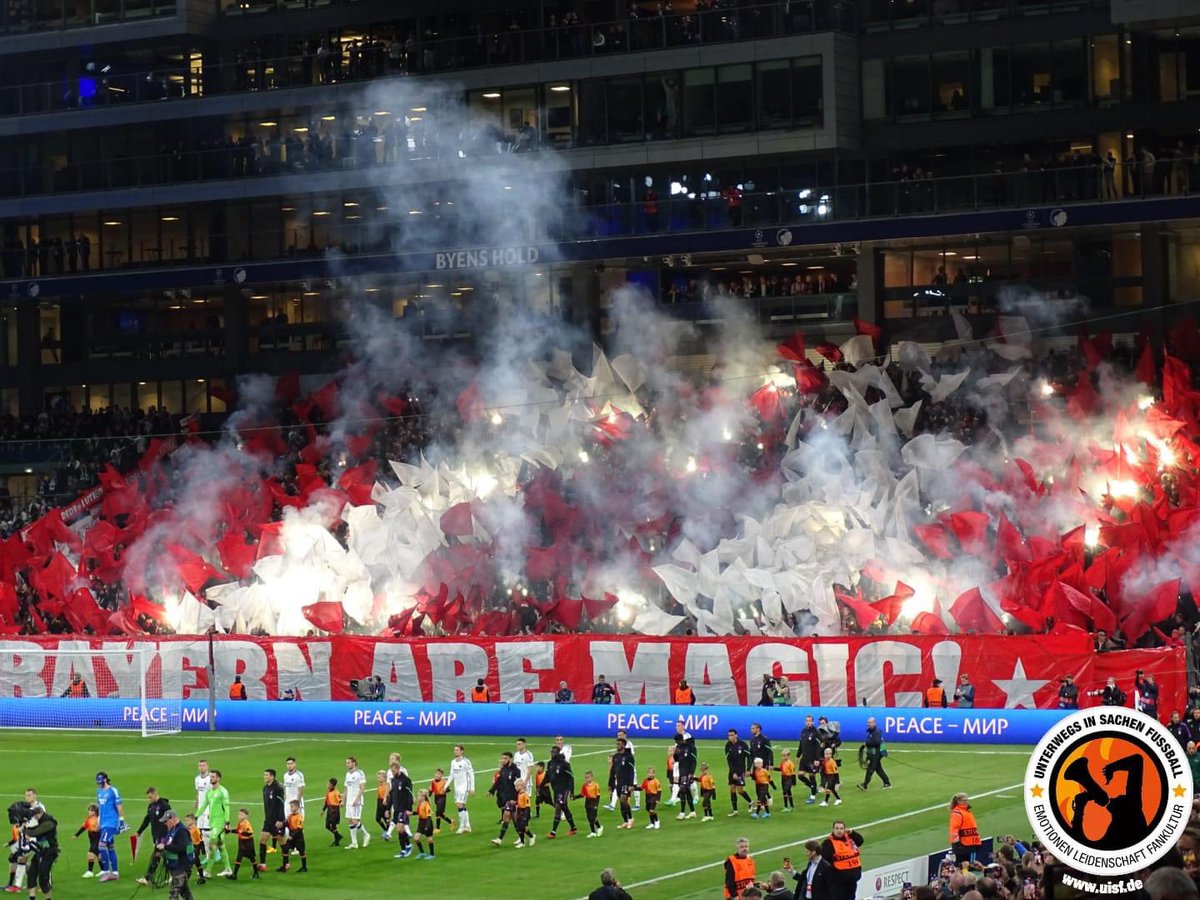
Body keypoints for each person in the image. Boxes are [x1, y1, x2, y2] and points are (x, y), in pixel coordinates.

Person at [20, 795, 57, 900]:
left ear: (40, 813)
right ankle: (32, 898)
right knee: (32, 873)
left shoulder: (48, 823)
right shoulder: (42, 820)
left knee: (43, 879)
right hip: (41, 850)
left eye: (35, 815)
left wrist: (24, 831)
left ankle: (48, 898)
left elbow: (36, 831)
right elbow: (34, 829)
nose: (34, 817)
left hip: (49, 852)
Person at [195, 770, 230, 876]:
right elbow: (204, 805)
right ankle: (228, 869)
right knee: (221, 846)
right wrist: (196, 816)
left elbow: (227, 807)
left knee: (212, 845)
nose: (211, 779)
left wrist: (227, 822)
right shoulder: (210, 792)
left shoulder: (223, 791)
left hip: (219, 823)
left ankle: (208, 871)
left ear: (218, 778)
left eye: (213, 777)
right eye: (210, 777)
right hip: (212, 822)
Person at [134, 787, 171, 886]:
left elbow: (171, 819)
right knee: (165, 856)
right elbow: (147, 819)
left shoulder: (164, 806)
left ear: (155, 794)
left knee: (156, 856)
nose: (149, 799)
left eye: (150, 797)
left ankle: (147, 878)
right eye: (148, 798)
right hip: (156, 835)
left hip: (163, 835)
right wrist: (139, 831)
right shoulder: (151, 806)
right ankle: (174, 874)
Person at [155, 809, 194, 900]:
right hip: (175, 865)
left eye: (166, 821)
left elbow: (181, 847)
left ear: (172, 819)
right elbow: (169, 843)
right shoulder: (173, 829)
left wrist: (165, 847)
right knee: (185, 892)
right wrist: (160, 851)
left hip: (181, 867)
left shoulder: (182, 831)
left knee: (173, 893)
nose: (165, 823)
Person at [820, 820, 864, 900]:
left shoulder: (850, 837)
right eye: (837, 828)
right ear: (833, 830)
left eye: (841, 828)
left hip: (852, 880)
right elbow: (824, 861)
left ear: (844, 829)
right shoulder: (828, 843)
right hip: (838, 882)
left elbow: (860, 841)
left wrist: (852, 832)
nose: (839, 831)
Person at [94, 771, 125, 883]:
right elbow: (100, 808)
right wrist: (98, 822)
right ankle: (115, 873)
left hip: (111, 823)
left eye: (100, 781)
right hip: (103, 823)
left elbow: (119, 806)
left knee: (101, 845)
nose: (98, 783)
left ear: (105, 779)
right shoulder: (99, 791)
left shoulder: (113, 791)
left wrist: (121, 822)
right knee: (110, 847)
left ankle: (107, 872)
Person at [384, 761, 414, 857]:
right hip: (396, 808)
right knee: (400, 830)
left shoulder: (406, 780)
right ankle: (408, 846)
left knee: (400, 828)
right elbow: (392, 795)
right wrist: (388, 809)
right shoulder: (393, 780)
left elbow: (410, 795)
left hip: (404, 808)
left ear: (398, 769)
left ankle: (404, 850)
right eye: (391, 771)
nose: (392, 773)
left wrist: (409, 809)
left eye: (394, 771)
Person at [547, 746, 577, 838]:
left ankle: (553, 832)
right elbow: (548, 776)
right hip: (556, 790)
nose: (552, 754)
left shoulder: (564, 764)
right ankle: (573, 828)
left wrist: (571, 791)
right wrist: (540, 786)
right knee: (564, 807)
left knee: (558, 807)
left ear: (558, 753)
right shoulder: (550, 763)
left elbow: (571, 777)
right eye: (551, 752)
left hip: (564, 789)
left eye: (554, 752)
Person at [608, 737, 637, 829]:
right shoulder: (616, 757)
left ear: (624, 745)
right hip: (619, 783)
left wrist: (631, 784)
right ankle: (625, 821)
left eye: (619, 744)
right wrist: (610, 784)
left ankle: (631, 819)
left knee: (623, 800)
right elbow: (613, 772)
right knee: (621, 803)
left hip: (627, 783)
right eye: (617, 744)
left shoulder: (629, 757)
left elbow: (632, 770)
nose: (617, 746)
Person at [672, 718, 698, 818]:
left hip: (688, 771)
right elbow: (677, 759)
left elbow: (694, 760)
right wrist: (675, 754)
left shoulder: (691, 747)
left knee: (683, 790)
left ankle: (682, 812)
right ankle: (692, 811)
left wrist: (692, 773)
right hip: (682, 771)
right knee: (686, 791)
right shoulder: (679, 748)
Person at [725, 728, 754, 816]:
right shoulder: (728, 746)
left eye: (732, 735)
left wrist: (748, 769)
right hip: (732, 771)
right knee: (732, 789)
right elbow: (729, 760)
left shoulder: (742, 744)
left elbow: (749, 757)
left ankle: (750, 801)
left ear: (736, 735)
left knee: (740, 790)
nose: (730, 737)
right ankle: (735, 810)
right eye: (729, 735)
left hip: (741, 770)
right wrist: (732, 772)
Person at [260, 768, 286, 864]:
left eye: (266, 775)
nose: (264, 777)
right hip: (268, 820)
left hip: (277, 821)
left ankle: (286, 863)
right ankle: (263, 864)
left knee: (281, 842)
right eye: (264, 775)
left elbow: (281, 804)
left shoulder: (278, 788)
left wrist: (280, 820)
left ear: (272, 776)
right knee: (262, 841)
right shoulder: (265, 788)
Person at [858, 717, 892, 791]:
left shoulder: (876, 732)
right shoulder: (871, 731)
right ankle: (887, 783)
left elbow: (877, 742)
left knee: (870, 769)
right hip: (874, 753)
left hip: (877, 753)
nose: (868, 724)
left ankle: (865, 785)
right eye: (868, 722)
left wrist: (866, 743)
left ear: (874, 723)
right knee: (878, 769)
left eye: (870, 723)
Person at [449, 744, 476, 834]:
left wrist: (472, 788)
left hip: (465, 786)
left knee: (459, 804)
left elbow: (471, 775)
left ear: (461, 751)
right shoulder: (453, 762)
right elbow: (451, 775)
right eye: (455, 750)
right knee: (462, 806)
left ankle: (461, 826)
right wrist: (445, 786)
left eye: (457, 750)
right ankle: (467, 825)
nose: (455, 751)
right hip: (457, 787)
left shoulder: (466, 762)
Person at [342, 757, 369, 848]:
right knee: (350, 820)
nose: (347, 764)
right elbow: (346, 788)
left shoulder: (359, 773)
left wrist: (357, 799)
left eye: (349, 763)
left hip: (356, 800)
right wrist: (343, 800)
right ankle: (354, 843)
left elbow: (362, 787)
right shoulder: (347, 774)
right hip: (349, 801)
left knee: (355, 820)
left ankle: (366, 834)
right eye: (346, 763)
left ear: (354, 763)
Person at [949, 792, 981, 863]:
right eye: (964, 800)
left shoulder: (966, 812)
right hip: (963, 844)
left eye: (967, 800)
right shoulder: (957, 813)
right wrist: (957, 843)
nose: (966, 802)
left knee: (968, 865)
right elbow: (954, 829)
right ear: (958, 801)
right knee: (964, 865)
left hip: (970, 843)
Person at [226, 809, 258, 880]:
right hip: (242, 842)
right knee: (239, 858)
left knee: (251, 858)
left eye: (241, 814)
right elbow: (238, 831)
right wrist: (230, 831)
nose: (239, 816)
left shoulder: (246, 823)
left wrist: (242, 833)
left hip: (247, 843)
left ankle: (256, 872)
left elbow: (250, 832)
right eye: (239, 814)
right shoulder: (241, 822)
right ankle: (235, 874)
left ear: (246, 816)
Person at [276, 800, 307, 872]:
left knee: (301, 851)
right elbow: (287, 824)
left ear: (297, 807)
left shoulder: (300, 817)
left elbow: (299, 828)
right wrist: (281, 825)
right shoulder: (290, 816)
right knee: (285, 849)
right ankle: (284, 866)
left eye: (292, 806)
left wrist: (292, 836)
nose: (291, 808)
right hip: (291, 836)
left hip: (298, 837)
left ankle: (304, 867)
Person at [798, 714, 822, 804]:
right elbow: (801, 744)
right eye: (807, 721)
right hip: (804, 758)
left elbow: (819, 745)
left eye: (810, 721)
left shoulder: (815, 732)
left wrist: (817, 759)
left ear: (813, 722)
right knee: (800, 775)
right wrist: (798, 755)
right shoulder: (803, 731)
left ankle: (812, 796)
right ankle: (813, 788)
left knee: (812, 776)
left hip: (813, 759)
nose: (808, 722)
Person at [72, 803, 100, 878]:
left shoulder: (98, 819)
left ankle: (90, 871)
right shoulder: (89, 819)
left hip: (97, 838)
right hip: (92, 839)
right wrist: (76, 835)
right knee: (98, 854)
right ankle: (104, 870)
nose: (89, 812)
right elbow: (84, 827)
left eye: (91, 810)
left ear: (95, 811)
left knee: (90, 853)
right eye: (89, 810)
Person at [412, 790, 435, 859]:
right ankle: (422, 853)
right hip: (421, 822)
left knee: (429, 839)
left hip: (427, 822)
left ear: (423, 797)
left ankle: (432, 854)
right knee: (416, 838)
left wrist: (427, 827)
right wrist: (411, 813)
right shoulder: (420, 804)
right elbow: (418, 812)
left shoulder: (426, 804)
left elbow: (429, 816)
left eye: (419, 796)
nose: (418, 797)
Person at [580, 770, 603, 837]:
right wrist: (575, 797)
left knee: (593, 817)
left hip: (594, 802)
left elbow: (598, 796)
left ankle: (599, 827)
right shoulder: (584, 786)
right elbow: (582, 795)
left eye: (588, 777)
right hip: (587, 802)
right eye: (586, 778)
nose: (587, 779)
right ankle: (593, 832)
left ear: (592, 777)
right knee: (589, 817)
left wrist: (596, 804)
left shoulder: (596, 785)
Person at [183, 814, 205, 885]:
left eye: (188, 820)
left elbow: (200, 840)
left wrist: (200, 850)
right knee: (197, 863)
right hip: (189, 848)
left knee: (189, 864)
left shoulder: (196, 830)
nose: (186, 822)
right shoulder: (187, 828)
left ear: (193, 821)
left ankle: (184, 882)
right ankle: (202, 878)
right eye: (186, 820)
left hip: (195, 848)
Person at [322, 778, 342, 846]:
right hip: (329, 810)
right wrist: (323, 810)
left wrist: (341, 803)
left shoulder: (336, 792)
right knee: (327, 826)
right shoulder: (328, 792)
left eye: (329, 784)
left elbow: (340, 800)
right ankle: (338, 836)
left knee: (333, 826)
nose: (327, 785)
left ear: (332, 785)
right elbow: (326, 802)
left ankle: (337, 841)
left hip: (335, 810)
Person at [373, 770, 390, 838]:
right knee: (377, 818)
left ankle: (388, 833)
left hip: (385, 802)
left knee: (386, 819)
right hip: (379, 802)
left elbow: (388, 796)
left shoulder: (387, 786)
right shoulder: (380, 785)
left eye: (379, 777)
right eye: (378, 777)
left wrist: (386, 803)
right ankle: (386, 830)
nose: (378, 778)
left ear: (384, 778)